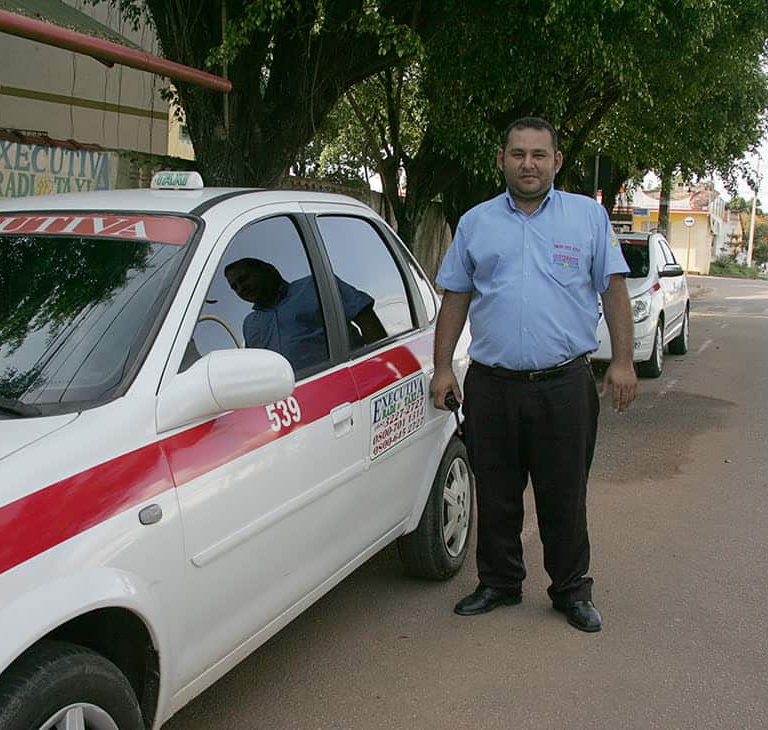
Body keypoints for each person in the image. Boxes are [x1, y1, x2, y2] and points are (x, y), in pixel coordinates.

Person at [430, 117, 637, 633]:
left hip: (564, 385)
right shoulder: (476, 222)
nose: (528, 164)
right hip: (491, 384)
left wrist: (624, 360)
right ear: (501, 159)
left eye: (539, 154)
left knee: (564, 494)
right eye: (518, 153)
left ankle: (571, 590)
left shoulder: (588, 218)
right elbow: (456, 296)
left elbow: (613, 292)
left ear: (556, 162)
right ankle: (499, 583)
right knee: (496, 490)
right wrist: (441, 368)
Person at [224, 258, 386, 372]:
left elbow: (367, 319)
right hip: (288, 409)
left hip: (344, 389)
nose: (241, 289)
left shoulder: (316, 286)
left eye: (243, 279)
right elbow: (257, 370)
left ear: (267, 270)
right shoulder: (250, 324)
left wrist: (381, 368)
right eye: (235, 287)